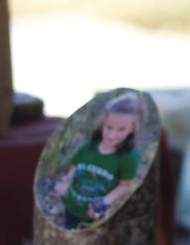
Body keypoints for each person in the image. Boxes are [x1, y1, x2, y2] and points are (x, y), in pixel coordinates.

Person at [51, 93, 145, 229]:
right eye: (109, 127)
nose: (112, 135)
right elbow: (73, 169)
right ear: (103, 124)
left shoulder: (130, 157)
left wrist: (104, 203)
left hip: (95, 216)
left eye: (121, 129)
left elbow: (125, 185)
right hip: (71, 208)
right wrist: (64, 183)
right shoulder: (87, 147)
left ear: (133, 129)